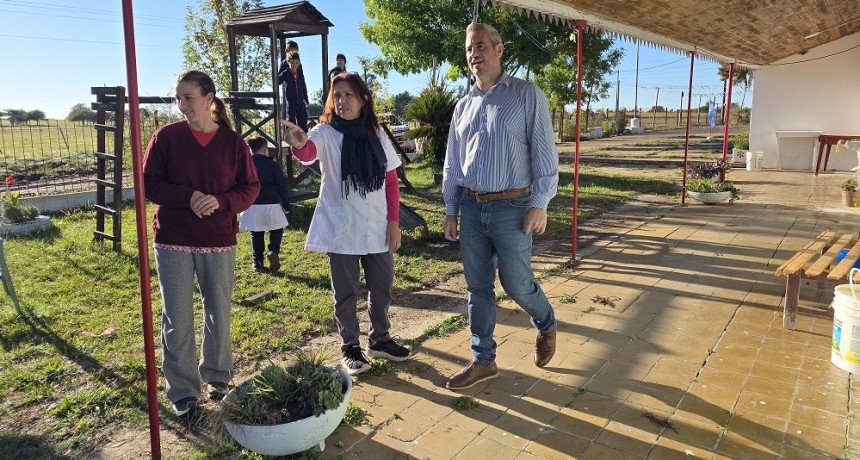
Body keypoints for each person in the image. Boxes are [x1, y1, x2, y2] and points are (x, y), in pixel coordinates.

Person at [442, 23, 559, 391]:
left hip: (514, 207)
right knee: (477, 287)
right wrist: (450, 208)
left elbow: (544, 152)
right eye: (468, 49)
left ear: (498, 49)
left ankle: (546, 322)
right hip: (472, 209)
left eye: (480, 46)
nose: (473, 54)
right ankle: (483, 360)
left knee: (517, 284)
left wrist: (540, 202)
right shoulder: (462, 106)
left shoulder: (526, 95)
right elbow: (453, 163)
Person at [143, 70, 260, 416]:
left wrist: (222, 202)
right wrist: (189, 196)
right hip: (174, 239)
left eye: (188, 97)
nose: (181, 105)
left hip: (218, 239)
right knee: (177, 316)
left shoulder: (233, 143)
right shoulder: (165, 138)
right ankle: (183, 392)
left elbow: (250, 187)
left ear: (209, 99)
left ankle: (218, 376)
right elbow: (150, 183)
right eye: (177, 98)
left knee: (218, 310)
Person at [281, 72, 411, 375]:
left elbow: (391, 181)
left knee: (382, 286)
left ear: (363, 98)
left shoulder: (375, 133)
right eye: (336, 95)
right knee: (346, 290)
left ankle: (379, 339)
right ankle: (349, 345)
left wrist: (394, 221)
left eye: (348, 94)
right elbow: (309, 150)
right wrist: (299, 144)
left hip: (377, 224)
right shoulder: (325, 131)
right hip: (342, 227)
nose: (341, 101)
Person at [238, 137, 290, 272]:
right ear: (266, 150)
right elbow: (281, 186)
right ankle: (273, 250)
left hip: (252, 204)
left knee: (256, 234)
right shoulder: (272, 165)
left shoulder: (245, 165)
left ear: (251, 150)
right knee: (277, 229)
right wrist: (286, 204)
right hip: (271, 203)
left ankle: (258, 263)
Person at [279, 50, 310, 131]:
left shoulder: (300, 75)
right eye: (292, 63)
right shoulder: (285, 73)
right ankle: (292, 140)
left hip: (300, 101)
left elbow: (303, 87)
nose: (294, 65)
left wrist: (306, 99)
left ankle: (304, 140)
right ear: (288, 62)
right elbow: (278, 81)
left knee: (302, 121)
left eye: (296, 63)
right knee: (291, 122)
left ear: (299, 63)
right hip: (291, 102)